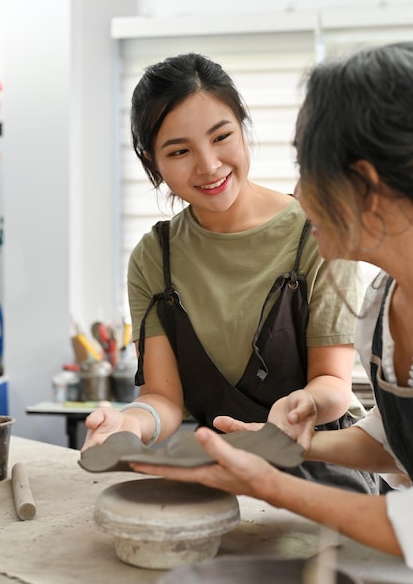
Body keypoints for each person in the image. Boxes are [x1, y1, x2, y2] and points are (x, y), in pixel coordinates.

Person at [127, 42, 413, 567]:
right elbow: (391, 441)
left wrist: (274, 478)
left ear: (367, 182)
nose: (298, 192)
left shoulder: (313, 243)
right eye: (179, 149)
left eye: (308, 166)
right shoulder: (386, 298)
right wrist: (276, 444)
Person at [83, 52, 376, 493]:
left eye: (221, 137)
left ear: (243, 128)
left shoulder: (317, 231)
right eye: (179, 151)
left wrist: (302, 406)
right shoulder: (153, 258)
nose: (208, 165)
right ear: (152, 161)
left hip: (323, 465)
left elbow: (332, 383)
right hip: (224, 473)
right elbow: (164, 400)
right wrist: (129, 422)